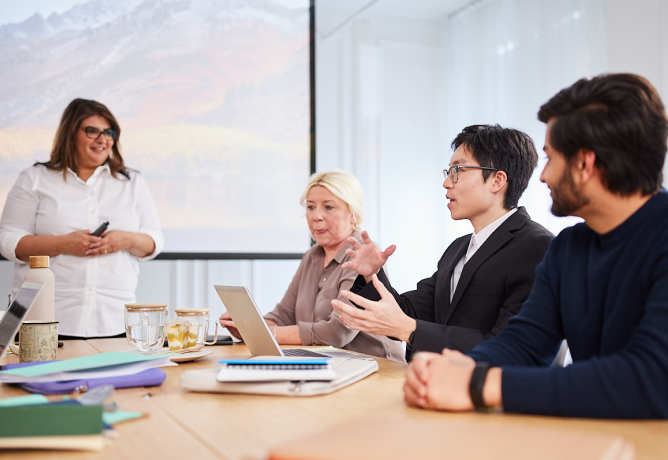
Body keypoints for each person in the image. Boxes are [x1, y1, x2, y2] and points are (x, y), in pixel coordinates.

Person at [403, 73, 668, 419]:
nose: (543, 176)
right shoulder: (569, 248)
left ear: (585, 164)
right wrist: (453, 369)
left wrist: (479, 383)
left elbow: (652, 378)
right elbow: (524, 344)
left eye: (551, 159)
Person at [332, 125, 553, 361]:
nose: (446, 183)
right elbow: (408, 313)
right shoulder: (458, 248)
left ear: (497, 180)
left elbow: (511, 348)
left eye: (457, 170)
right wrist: (372, 274)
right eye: (448, 171)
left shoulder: (537, 247)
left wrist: (409, 329)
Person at [0, 98, 164, 338]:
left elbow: (154, 241)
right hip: (42, 321)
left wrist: (126, 239)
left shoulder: (132, 182)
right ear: (70, 134)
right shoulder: (34, 178)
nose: (103, 139)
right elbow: (8, 241)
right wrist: (63, 244)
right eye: (92, 131)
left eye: (109, 132)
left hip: (114, 321)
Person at [219, 170, 405, 361]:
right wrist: (249, 327)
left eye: (328, 207)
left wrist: (268, 333)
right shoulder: (312, 256)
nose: (316, 216)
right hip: (332, 365)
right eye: (310, 207)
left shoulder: (362, 255)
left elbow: (337, 332)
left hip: (378, 368)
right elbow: (283, 316)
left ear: (354, 216)